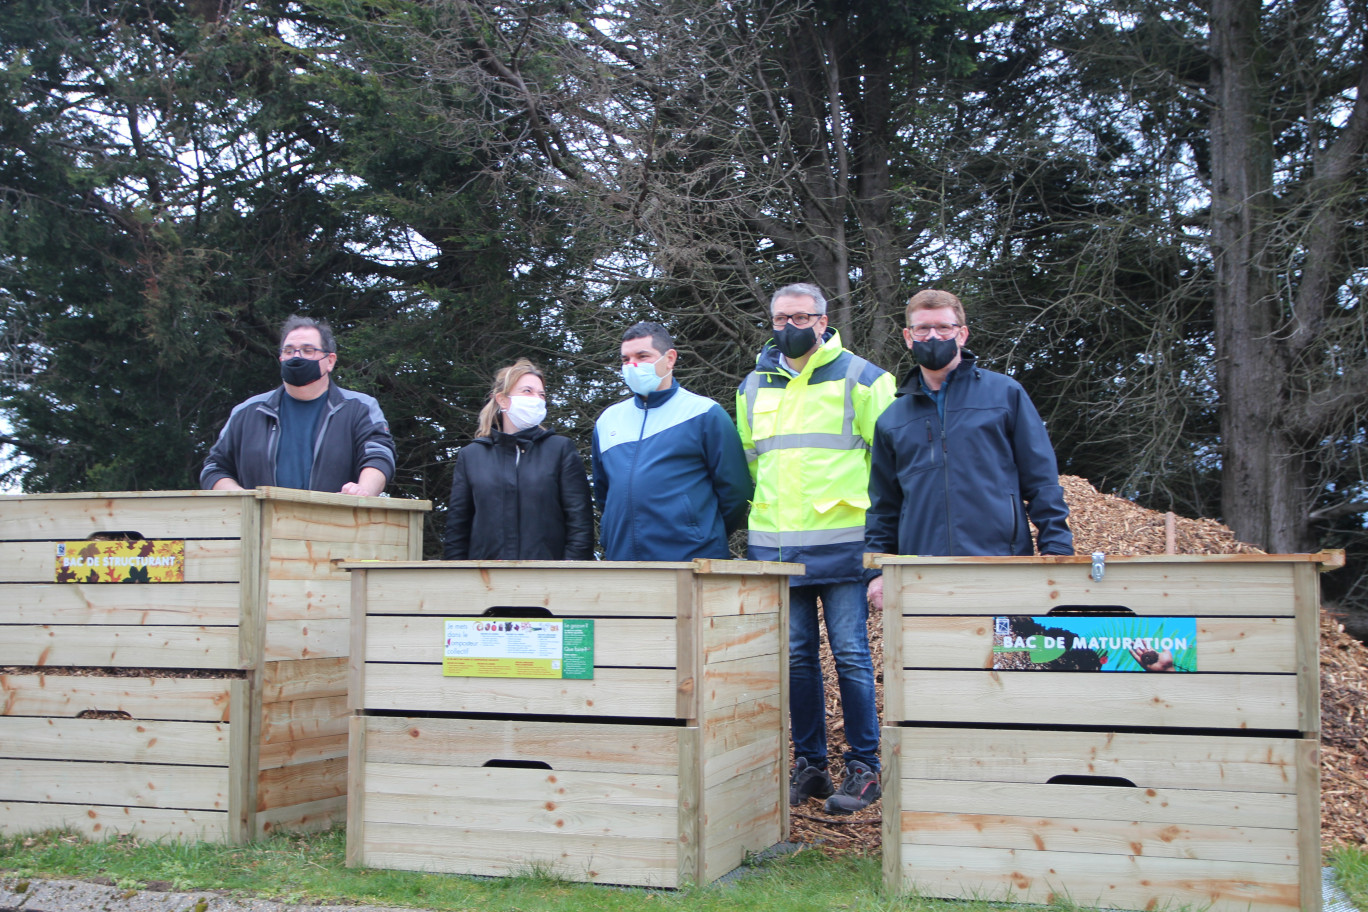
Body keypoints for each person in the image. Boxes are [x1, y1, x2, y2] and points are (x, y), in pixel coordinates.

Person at [736, 283, 896, 816]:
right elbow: (753, 464)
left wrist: (881, 548)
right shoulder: (752, 388)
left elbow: (891, 465)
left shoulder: (865, 378)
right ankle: (811, 766)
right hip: (779, 553)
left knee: (851, 656)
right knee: (798, 660)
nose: (791, 326)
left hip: (845, 547)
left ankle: (865, 766)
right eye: (781, 317)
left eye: (802, 317)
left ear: (824, 321)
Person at [865, 288, 1074, 609]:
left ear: (962, 334)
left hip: (1001, 565)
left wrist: (1056, 548)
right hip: (921, 573)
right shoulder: (891, 420)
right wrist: (878, 571)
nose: (933, 336)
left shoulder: (1005, 395)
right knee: (932, 660)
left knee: (1003, 658)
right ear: (908, 336)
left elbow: (1041, 479)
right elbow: (884, 506)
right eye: (922, 328)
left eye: (943, 327)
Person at [592, 321, 751, 561]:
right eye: (625, 360)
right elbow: (605, 493)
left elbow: (736, 492)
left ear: (670, 358)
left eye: (643, 356)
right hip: (623, 558)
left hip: (690, 559)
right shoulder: (608, 421)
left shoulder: (704, 413)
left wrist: (701, 533)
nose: (632, 366)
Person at [201, 315, 395, 495]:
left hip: (335, 526)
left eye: (307, 350)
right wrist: (241, 498)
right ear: (281, 358)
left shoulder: (360, 408)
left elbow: (379, 455)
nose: (296, 356)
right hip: (260, 528)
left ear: (330, 360)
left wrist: (362, 491)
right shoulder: (246, 412)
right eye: (289, 350)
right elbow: (214, 468)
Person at [443, 359, 594, 560]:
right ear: (503, 400)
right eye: (527, 391)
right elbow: (457, 528)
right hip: (486, 580)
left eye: (541, 394)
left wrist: (567, 575)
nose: (537, 399)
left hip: (548, 580)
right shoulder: (472, 456)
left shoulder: (559, 450)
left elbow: (580, 523)